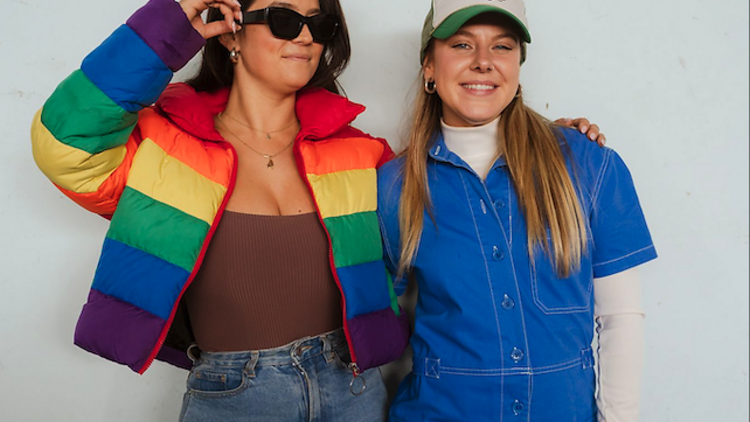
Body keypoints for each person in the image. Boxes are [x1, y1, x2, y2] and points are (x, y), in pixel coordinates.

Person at [30, 0, 602, 420]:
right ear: (231, 35)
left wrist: (545, 139)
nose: (304, 35)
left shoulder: (362, 156)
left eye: (319, 22)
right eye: (283, 19)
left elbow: (453, 174)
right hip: (234, 394)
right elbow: (66, 140)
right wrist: (169, 23)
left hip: (355, 388)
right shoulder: (163, 147)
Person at [377, 1, 658, 421]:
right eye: (461, 44)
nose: (484, 62)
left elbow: (620, 317)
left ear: (519, 65)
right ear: (429, 67)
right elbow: (375, 333)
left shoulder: (589, 164)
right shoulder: (394, 186)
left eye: (502, 47)